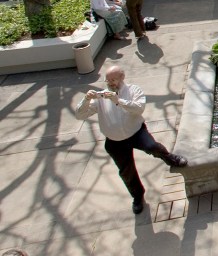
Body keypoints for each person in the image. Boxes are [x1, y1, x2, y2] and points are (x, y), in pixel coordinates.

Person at [75, 66, 188, 215]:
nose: (110, 83)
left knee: (152, 146)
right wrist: (86, 99)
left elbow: (138, 109)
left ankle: (170, 158)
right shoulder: (101, 98)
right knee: (126, 171)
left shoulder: (134, 91)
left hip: (136, 132)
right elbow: (80, 115)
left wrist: (118, 101)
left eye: (113, 79)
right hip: (115, 141)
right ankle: (137, 196)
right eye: (107, 80)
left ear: (122, 78)